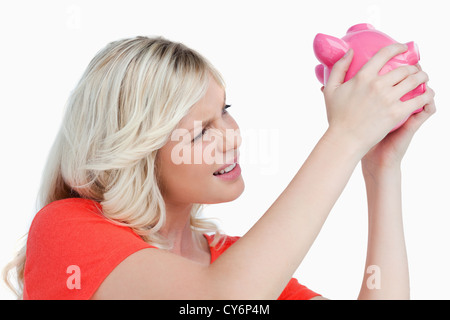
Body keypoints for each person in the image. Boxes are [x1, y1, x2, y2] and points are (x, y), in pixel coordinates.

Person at [3, 36, 435, 300]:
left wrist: (381, 170)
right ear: (136, 153)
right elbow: (222, 298)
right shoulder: (66, 229)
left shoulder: (234, 261)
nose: (231, 136)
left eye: (224, 111)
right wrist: (344, 137)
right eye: (199, 132)